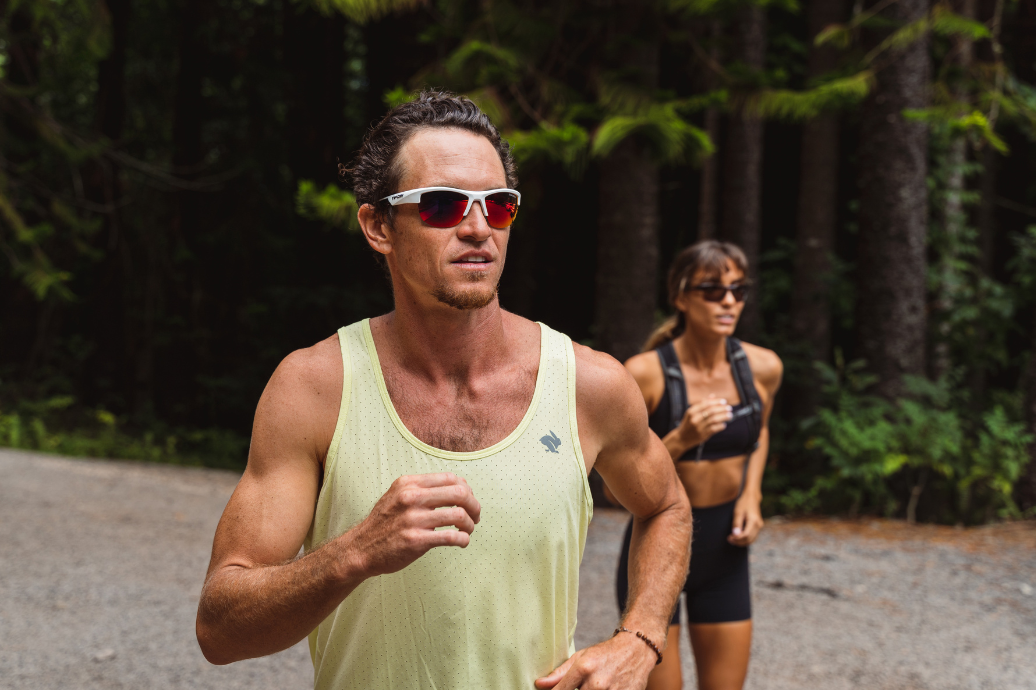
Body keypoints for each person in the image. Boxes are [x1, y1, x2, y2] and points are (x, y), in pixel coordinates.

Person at [195, 91, 692, 690]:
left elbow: (666, 506)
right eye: (442, 206)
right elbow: (220, 629)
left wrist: (639, 637)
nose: (478, 228)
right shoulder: (315, 387)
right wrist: (353, 553)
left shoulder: (589, 383)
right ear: (379, 226)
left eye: (499, 206)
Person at [608, 241, 783, 690]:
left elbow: (759, 432)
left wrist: (751, 494)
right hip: (657, 543)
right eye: (712, 290)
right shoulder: (644, 374)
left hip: (725, 550)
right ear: (681, 297)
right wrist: (682, 438)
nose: (729, 301)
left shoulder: (762, 368)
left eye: (738, 290)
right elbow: (614, 491)